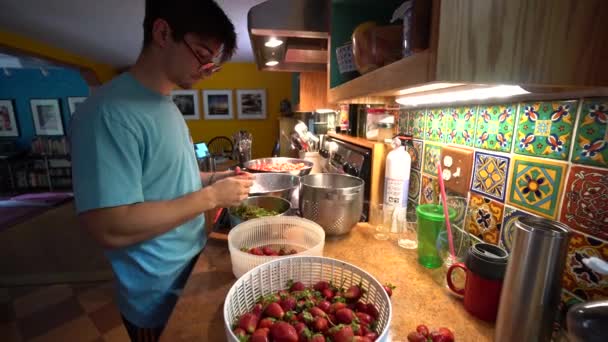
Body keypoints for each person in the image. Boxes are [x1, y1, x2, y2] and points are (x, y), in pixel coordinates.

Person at [69, 1, 253, 341]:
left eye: (213, 63)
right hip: (157, 295)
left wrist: (215, 178)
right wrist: (211, 196)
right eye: (202, 54)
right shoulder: (108, 113)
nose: (206, 68)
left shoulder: (165, 105)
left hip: (188, 269)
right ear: (163, 33)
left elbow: (166, 182)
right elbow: (110, 225)